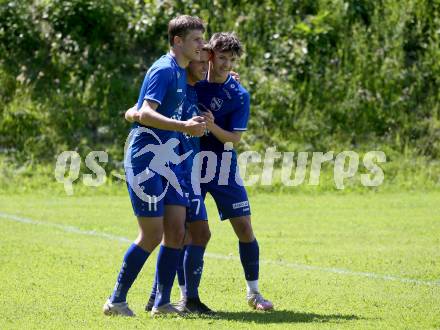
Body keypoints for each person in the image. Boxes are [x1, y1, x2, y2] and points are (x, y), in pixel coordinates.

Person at [103, 15, 206, 317]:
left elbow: (135, 110)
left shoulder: (182, 72)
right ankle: (116, 300)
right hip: (146, 158)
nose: (202, 46)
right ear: (178, 42)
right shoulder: (163, 69)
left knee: (175, 231)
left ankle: (161, 303)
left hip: (170, 161)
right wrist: (184, 126)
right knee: (151, 234)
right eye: (197, 40)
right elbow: (145, 112)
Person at [193, 32, 274, 311]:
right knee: (186, 232)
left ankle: (254, 293)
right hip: (190, 165)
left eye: (232, 59)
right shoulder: (191, 82)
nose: (227, 64)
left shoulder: (238, 94)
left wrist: (211, 125)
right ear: (211, 55)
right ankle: (178, 297)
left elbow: (234, 139)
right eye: (222, 57)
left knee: (245, 229)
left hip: (223, 166)